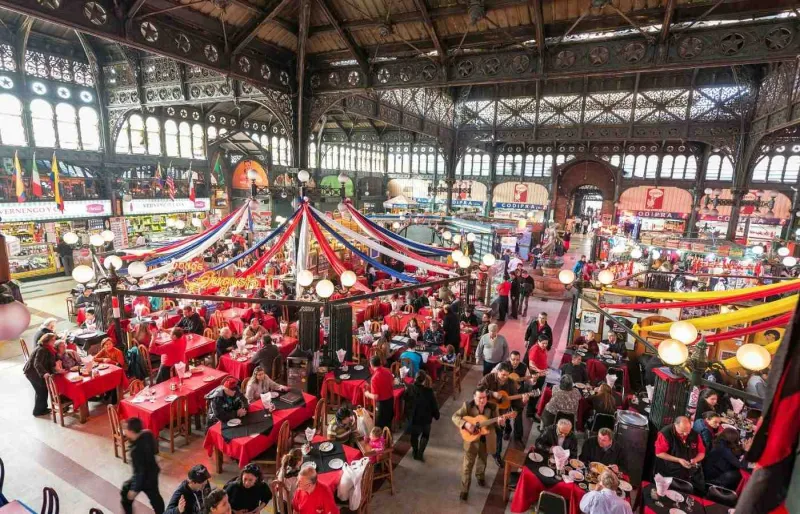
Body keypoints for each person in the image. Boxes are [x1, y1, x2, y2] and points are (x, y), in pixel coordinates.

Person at [452, 387, 505, 502]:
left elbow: (497, 426)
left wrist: (501, 423)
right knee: (467, 467)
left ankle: (480, 476)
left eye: (484, 397)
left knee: (483, 460)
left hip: (485, 441)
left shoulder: (492, 407)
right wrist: (465, 424)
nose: (482, 400)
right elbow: (455, 417)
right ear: (474, 397)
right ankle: (464, 490)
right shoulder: (467, 406)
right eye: (480, 398)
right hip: (471, 442)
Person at [478, 362, 525, 467]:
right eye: (503, 375)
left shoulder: (511, 383)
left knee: (499, 434)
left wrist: (516, 411)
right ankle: (481, 449)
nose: (505, 377)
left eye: (507, 375)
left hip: (501, 414)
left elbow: (516, 401)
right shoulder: (489, 378)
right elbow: (478, 390)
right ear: (498, 371)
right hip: (486, 410)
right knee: (482, 431)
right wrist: (491, 393)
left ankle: (497, 455)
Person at [120, 418, 164, 514]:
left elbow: (139, 473)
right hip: (153, 471)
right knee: (155, 497)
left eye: (125, 429)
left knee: (126, 494)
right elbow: (155, 449)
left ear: (131, 432)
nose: (124, 431)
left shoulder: (135, 451)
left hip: (145, 478)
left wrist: (134, 490)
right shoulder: (148, 433)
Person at [654, 416, 706, 493]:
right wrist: (678, 460)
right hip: (672, 469)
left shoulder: (695, 435)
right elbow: (659, 453)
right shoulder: (665, 434)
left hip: (692, 470)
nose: (685, 434)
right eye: (682, 432)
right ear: (675, 425)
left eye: (687, 431)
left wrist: (695, 460)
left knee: (699, 489)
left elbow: (702, 452)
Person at [404, 370, 440, 461]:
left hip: (414, 418)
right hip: (426, 419)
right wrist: (436, 415)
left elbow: (405, 398)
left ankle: (415, 452)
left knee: (414, 436)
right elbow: (434, 405)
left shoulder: (410, 388)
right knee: (425, 435)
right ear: (424, 380)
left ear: (415, 378)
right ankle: (420, 453)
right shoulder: (429, 392)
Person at [23, 332, 59, 416]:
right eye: (53, 340)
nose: (54, 341)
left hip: (35, 372)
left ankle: (43, 408)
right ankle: (37, 411)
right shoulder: (42, 349)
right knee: (41, 391)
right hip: (33, 373)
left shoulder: (47, 348)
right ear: (47, 341)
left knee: (42, 391)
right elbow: (37, 363)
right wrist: (44, 373)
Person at [364, 355, 394, 429]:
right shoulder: (388, 370)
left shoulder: (374, 378)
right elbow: (392, 383)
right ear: (380, 363)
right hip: (390, 400)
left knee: (379, 426)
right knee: (388, 422)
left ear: (371, 365)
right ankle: (388, 437)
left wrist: (367, 394)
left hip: (382, 404)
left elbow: (375, 396)